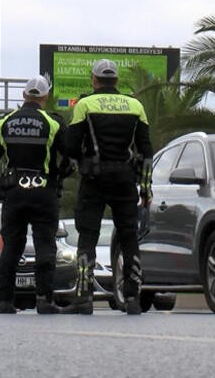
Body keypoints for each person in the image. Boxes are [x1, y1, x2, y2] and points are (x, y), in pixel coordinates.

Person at [65, 59, 153, 315]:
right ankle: (133, 298)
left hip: (94, 180)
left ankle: (84, 298)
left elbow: (70, 146)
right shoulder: (136, 106)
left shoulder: (85, 105)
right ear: (116, 80)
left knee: (88, 237)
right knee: (129, 237)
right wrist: (146, 189)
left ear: (94, 80)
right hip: (125, 180)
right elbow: (146, 151)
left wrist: (83, 160)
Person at [0, 74, 71, 314]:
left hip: (14, 193)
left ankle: (4, 302)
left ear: (24, 95)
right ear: (46, 96)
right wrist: (59, 177)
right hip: (44, 192)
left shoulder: (4, 122)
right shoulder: (53, 122)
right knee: (45, 243)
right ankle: (44, 299)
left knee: (12, 245)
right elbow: (71, 154)